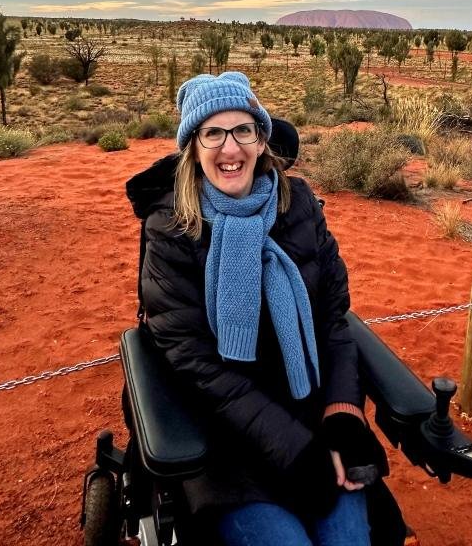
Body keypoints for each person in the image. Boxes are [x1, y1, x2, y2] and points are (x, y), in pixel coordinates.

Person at [126, 71, 389, 546]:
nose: (231, 149)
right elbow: (194, 364)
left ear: (262, 138)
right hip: (226, 441)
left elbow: (333, 320)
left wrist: (343, 413)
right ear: (193, 146)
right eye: (213, 133)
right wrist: (293, 450)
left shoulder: (300, 207)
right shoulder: (172, 230)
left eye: (243, 130)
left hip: (312, 416)